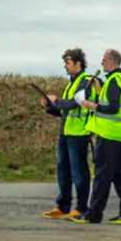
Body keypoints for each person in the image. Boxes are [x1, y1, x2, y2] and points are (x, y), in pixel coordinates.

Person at [70, 49, 121, 225]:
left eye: (104, 59)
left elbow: (113, 107)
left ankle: (93, 214)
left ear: (112, 61)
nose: (101, 62)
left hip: (109, 135)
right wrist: (99, 92)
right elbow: (114, 104)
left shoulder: (114, 81)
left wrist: (93, 106)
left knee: (102, 176)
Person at [41, 48, 98, 220]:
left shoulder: (86, 82)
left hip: (79, 134)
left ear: (78, 63)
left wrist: (57, 100)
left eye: (68, 62)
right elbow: (64, 111)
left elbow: (74, 104)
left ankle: (81, 208)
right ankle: (63, 206)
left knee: (79, 172)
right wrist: (50, 107)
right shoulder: (72, 84)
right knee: (63, 170)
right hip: (66, 133)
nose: (65, 66)